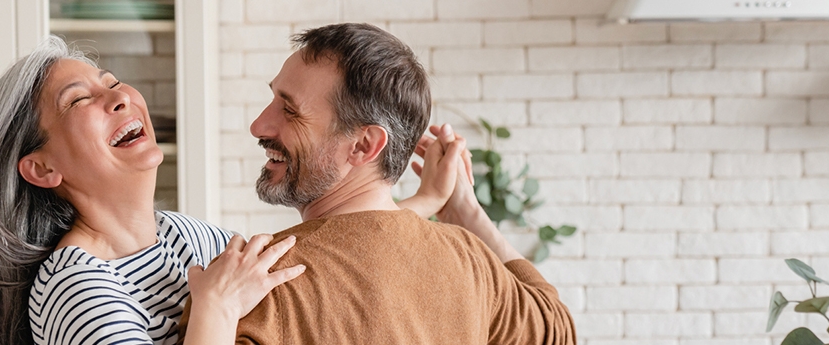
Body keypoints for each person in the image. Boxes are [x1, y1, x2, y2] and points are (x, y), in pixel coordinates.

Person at [0, 36, 468, 345]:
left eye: (111, 83)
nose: (121, 96)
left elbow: (309, 261)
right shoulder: (76, 289)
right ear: (42, 169)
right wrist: (216, 310)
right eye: (80, 101)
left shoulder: (183, 237)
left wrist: (424, 202)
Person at [182, 23, 577, 344]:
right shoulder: (469, 260)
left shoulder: (252, 284)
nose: (259, 125)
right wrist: (464, 211)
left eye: (290, 110)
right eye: (273, 100)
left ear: (364, 145)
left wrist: (214, 309)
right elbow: (557, 331)